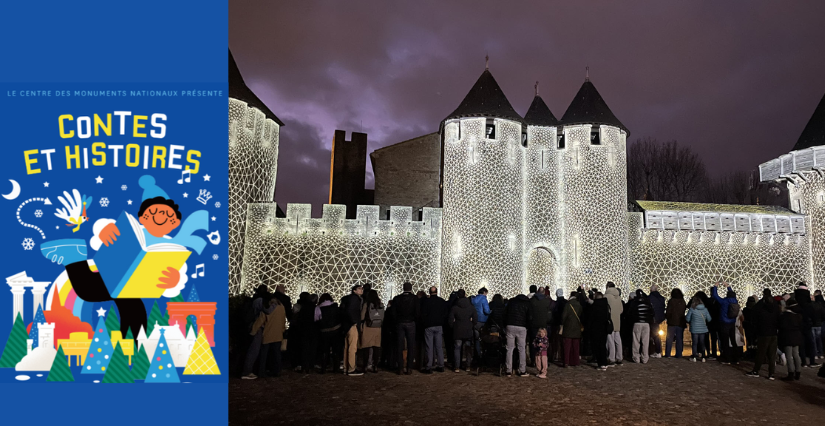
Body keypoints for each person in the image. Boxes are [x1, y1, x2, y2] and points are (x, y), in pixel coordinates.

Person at [747, 288, 781, 380]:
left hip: (763, 333)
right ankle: (771, 374)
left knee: (761, 353)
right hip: (773, 332)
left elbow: (754, 318)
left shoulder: (760, 306)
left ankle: (756, 371)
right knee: (772, 354)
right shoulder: (775, 305)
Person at [242, 297, 278, 379]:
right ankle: (246, 372)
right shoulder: (260, 302)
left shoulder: (254, 301)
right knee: (253, 350)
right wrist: (274, 304)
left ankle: (247, 370)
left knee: (251, 350)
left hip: (253, 327)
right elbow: (267, 312)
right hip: (256, 329)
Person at [392, 281, 420, 375]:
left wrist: (397, 321)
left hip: (400, 323)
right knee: (411, 345)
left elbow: (393, 312)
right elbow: (417, 312)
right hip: (411, 323)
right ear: (410, 288)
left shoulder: (397, 298)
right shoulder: (415, 298)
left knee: (399, 345)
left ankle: (400, 367)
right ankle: (409, 367)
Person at [420, 286, 447, 373]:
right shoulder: (442, 301)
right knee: (439, 347)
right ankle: (441, 365)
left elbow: (423, 314)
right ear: (437, 292)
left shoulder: (426, 302)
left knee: (429, 347)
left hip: (429, 326)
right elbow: (445, 313)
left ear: (429, 292)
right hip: (439, 326)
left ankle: (429, 366)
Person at [449, 289, 477, 372]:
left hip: (457, 329)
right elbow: (475, 319)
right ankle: (468, 366)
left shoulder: (455, 307)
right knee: (468, 349)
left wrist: (453, 326)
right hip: (468, 329)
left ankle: (457, 366)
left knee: (457, 348)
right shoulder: (471, 307)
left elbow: (450, 320)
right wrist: (471, 325)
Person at [712, 282, 740, 364]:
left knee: (725, 341)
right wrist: (728, 287)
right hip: (732, 323)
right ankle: (736, 358)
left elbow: (715, 296)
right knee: (733, 341)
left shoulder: (724, 301)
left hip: (724, 323)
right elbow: (732, 293)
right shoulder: (735, 301)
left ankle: (727, 359)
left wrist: (715, 287)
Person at [504, 292, 531, 376]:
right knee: (521, 349)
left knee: (509, 349)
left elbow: (505, 313)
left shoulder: (511, 302)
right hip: (521, 326)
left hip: (510, 325)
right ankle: (522, 370)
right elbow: (529, 316)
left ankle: (508, 370)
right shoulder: (527, 303)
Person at [340, 284, 364, 376]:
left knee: (346, 347)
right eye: (359, 289)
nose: (361, 290)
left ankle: (346, 368)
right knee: (352, 347)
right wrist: (354, 322)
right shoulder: (355, 299)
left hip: (346, 326)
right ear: (354, 290)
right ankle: (351, 368)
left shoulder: (347, 299)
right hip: (352, 325)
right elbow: (350, 311)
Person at [315, 293, 342, 374]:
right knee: (335, 350)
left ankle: (323, 368)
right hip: (335, 330)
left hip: (324, 331)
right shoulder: (335, 306)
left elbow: (316, 319)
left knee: (324, 350)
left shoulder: (318, 308)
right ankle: (336, 368)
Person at [779, 298, 804, 381]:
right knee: (796, 354)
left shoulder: (785, 316)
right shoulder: (798, 315)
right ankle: (798, 372)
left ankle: (791, 372)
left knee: (789, 356)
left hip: (788, 337)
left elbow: (782, 326)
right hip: (797, 336)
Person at [360, 289, 384, 373]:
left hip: (368, 327)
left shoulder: (367, 304)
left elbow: (362, 317)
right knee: (376, 347)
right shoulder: (380, 304)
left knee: (366, 347)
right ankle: (375, 366)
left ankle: (365, 366)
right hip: (377, 328)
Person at [587, 292, 612, 370]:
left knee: (597, 346)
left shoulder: (594, 306)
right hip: (604, 328)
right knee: (603, 346)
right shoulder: (606, 305)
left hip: (596, 329)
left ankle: (600, 363)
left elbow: (590, 318)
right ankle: (604, 363)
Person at [529, 286, 552, 366]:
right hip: (543, 325)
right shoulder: (547, 301)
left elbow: (529, 313)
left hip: (534, 324)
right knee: (544, 343)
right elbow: (549, 314)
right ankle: (544, 360)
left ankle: (533, 360)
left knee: (534, 343)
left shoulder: (532, 301)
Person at [629, 289, 654, 364]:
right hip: (646, 323)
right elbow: (652, 313)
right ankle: (645, 358)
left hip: (637, 322)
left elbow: (630, 313)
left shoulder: (634, 303)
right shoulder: (648, 302)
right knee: (645, 341)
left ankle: (636, 357)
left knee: (636, 341)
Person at [561, 292, 583, 367]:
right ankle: (575, 362)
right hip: (577, 327)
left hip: (568, 327)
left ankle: (566, 362)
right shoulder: (579, 305)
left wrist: (562, 323)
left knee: (567, 346)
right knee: (576, 347)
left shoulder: (568, 304)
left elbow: (564, 316)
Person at [685, 295, 711, 362]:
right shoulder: (705, 309)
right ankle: (703, 357)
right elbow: (709, 319)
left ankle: (694, 357)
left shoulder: (692, 309)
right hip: (703, 329)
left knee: (695, 343)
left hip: (694, 329)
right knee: (702, 343)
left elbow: (687, 319)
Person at [664, 288, 687, 358]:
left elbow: (668, 311)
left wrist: (668, 317)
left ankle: (668, 353)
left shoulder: (671, 301)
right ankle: (679, 354)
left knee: (669, 338)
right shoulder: (683, 301)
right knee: (679, 339)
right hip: (680, 322)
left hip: (672, 322)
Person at [471, 287, 492, 361]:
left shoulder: (473, 299)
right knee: (483, 339)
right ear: (484, 292)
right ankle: (482, 356)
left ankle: (477, 356)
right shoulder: (483, 299)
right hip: (482, 321)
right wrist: (490, 312)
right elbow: (486, 311)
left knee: (476, 339)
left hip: (475, 321)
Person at [605, 283, 623, 365]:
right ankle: (619, 357)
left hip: (609, 321)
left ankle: (611, 358)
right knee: (618, 340)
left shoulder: (606, 296)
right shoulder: (618, 297)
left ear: (607, 287)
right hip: (617, 321)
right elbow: (621, 310)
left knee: (610, 340)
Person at [648, 285, 666, 358]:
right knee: (657, 335)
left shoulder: (649, 298)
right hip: (659, 319)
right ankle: (657, 351)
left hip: (651, 319)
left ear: (651, 290)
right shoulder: (662, 298)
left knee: (652, 335)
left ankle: (654, 351)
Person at [552, 288, 568, 363]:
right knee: (562, 341)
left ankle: (556, 355)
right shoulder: (566, 302)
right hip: (564, 324)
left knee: (556, 340)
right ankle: (562, 356)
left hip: (556, 323)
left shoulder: (555, 303)